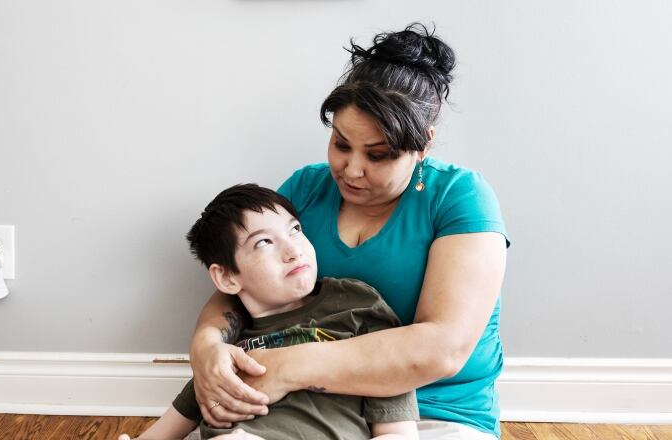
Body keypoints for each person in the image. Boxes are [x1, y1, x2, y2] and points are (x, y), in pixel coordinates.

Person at [187, 23, 510, 439]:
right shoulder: (306, 187)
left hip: (434, 411)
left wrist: (287, 367)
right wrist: (206, 346)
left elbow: (442, 348)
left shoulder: (460, 197)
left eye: (378, 155)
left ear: (423, 145)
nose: (351, 170)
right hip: (312, 409)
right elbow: (239, 285)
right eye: (341, 144)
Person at [120, 184, 419, 440]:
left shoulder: (354, 304)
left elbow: (394, 403)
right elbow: (164, 429)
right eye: (264, 242)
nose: (293, 250)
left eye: (295, 230)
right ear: (226, 278)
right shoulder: (231, 351)